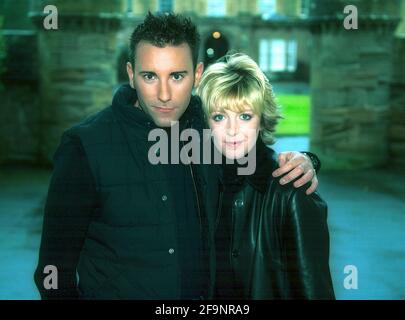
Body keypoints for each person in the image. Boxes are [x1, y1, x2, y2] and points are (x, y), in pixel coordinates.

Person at [34, 12, 321, 299]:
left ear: (196, 75)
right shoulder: (84, 147)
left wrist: (305, 160)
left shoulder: (206, 125)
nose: (164, 94)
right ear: (132, 75)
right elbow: (53, 273)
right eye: (150, 76)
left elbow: (253, 157)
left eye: (176, 76)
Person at [196, 53, 335, 299]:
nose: (231, 129)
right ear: (207, 123)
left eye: (245, 116)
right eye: (219, 116)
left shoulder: (291, 191)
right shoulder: (199, 184)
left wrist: (309, 160)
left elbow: (314, 290)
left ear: (261, 121)